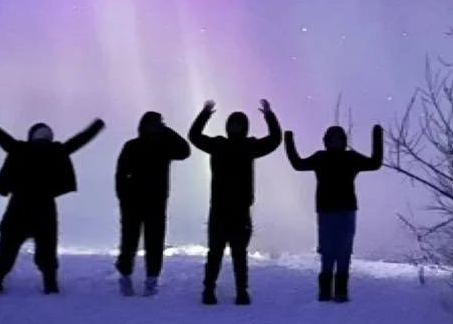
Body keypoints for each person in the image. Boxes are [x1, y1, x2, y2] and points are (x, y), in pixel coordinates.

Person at [0, 108, 105, 295]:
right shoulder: (58, 151)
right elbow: (81, 139)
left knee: (7, 248)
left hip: (18, 208)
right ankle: (50, 284)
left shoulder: (18, 148)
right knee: (47, 249)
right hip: (45, 209)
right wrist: (97, 126)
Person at [188, 98, 282, 305]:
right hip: (220, 209)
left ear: (245, 128)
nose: (235, 127)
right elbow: (194, 136)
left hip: (240, 210)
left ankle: (241, 291)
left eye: (238, 124)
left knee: (239, 254)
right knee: (216, 253)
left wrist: (269, 115)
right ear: (228, 126)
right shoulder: (219, 145)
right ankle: (209, 290)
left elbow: (275, 139)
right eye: (232, 124)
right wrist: (204, 114)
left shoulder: (249, 146)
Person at [284, 122, 384, 302]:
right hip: (326, 211)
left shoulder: (350, 158)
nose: (335, 142)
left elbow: (375, 163)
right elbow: (298, 164)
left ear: (343, 141)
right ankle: (324, 291)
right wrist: (288, 140)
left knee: (344, 251)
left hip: (346, 211)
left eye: (338, 139)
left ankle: (340, 291)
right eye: (332, 139)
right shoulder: (321, 157)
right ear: (326, 141)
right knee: (328, 251)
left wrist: (377, 136)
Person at [114, 111, 192, 295]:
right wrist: (123, 196)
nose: (156, 127)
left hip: (155, 202)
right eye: (154, 124)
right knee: (129, 241)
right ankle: (126, 275)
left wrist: (167, 131)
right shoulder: (132, 146)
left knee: (154, 242)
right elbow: (120, 174)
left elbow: (185, 150)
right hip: (133, 202)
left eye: (159, 124)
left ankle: (151, 278)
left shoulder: (163, 147)